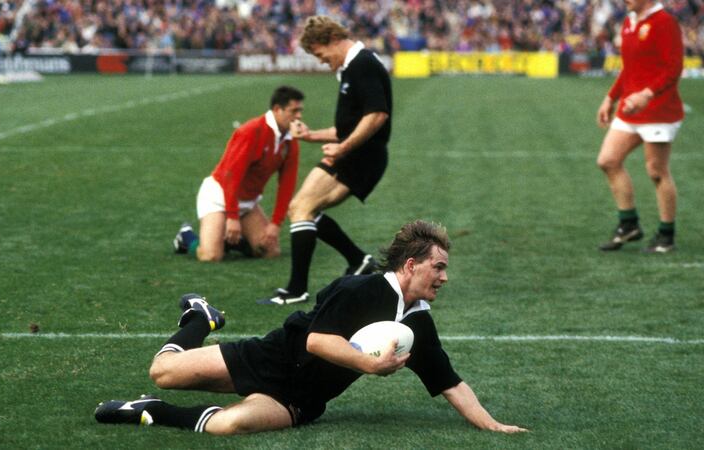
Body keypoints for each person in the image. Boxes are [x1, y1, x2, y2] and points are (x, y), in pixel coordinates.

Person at [95, 220, 528, 435]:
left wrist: (492, 424)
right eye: (439, 267)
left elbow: (450, 383)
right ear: (411, 265)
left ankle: (150, 411)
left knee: (230, 426)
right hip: (271, 357)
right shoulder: (358, 289)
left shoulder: (418, 323)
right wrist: (368, 365)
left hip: (302, 399)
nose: (445, 277)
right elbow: (317, 341)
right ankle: (199, 319)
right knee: (164, 371)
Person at [259, 16, 392, 305]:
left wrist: (343, 148)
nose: (321, 61)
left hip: (362, 156)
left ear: (332, 40)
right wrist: (312, 135)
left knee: (303, 207)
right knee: (302, 208)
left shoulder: (362, 64)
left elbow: (377, 115)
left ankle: (296, 291)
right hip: (356, 152)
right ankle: (358, 261)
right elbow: (350, 126)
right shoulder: (349, 69)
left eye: (320, 54)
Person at [172, 86, 303, 261]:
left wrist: (275, 224)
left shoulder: (290, 140)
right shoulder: (251, 131)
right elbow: (231, 176)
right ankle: (187, 238)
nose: (299, 116)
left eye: (300, 111)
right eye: (294, 111)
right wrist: (232, 217)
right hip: (219, 195)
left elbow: (287, 185)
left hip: (248, 202)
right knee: (211, 256)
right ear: (277, 110)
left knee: (270, 252)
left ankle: (232, 242)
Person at [595, 0, 684, 253]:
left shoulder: (665, 22)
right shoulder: (629, 22)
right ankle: (629, 225)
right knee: (608, 160)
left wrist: (647, 93)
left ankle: (666, 236)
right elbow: (629, 68)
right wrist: (610, 97)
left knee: (656, 171)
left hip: (659, 109)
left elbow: (673, 67)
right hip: (631, 107)